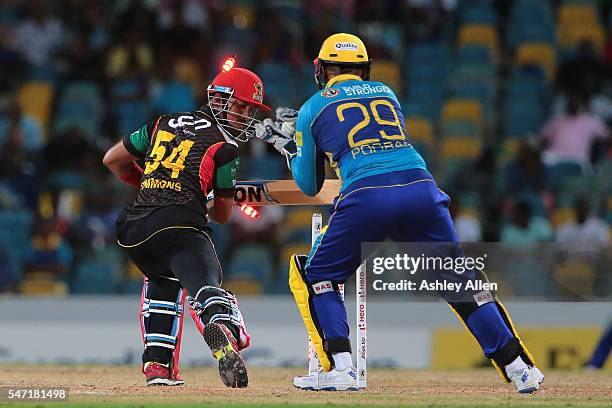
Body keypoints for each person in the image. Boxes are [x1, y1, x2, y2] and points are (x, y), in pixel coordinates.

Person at [255, 33, 544, 393]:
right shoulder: (386, 92)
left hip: (368, 196)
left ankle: (341, 368)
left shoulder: (312, 107)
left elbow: (310, 184)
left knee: (317, 276)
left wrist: (294, 148)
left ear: (322, 69)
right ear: (364, 68)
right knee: (460, 283)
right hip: (420, 188)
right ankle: (519, 368)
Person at [103, 62, 270, 387]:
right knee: (207, 285)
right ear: (223, 100)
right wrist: (204, 199)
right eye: (244, 107)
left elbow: (112, 160)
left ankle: (157, 366)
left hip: (132, 229)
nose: (247, 116)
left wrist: (149, 185)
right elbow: (221, 215)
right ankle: (222, 327)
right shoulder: (227, 148)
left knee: (163, 280)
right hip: (179, 224)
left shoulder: (161, 123)